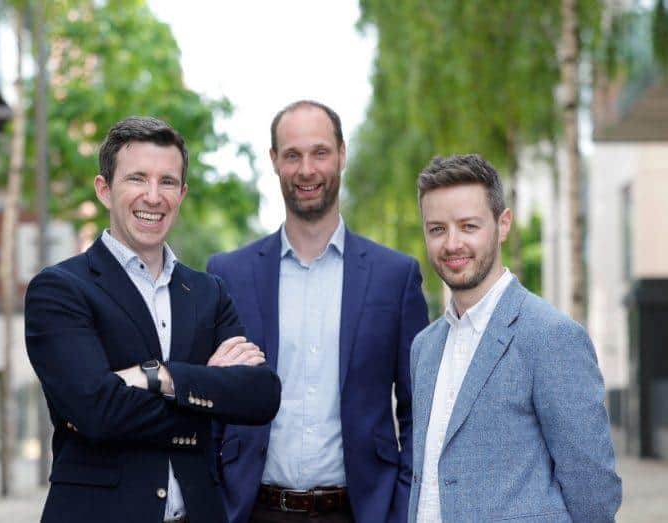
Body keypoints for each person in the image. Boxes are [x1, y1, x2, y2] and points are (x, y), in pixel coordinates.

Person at [25, 116, 281, 523]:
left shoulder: (207, 292)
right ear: (104, 190)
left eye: (167, 182)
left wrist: (158, 377)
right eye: (137, 179)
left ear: (181, 194)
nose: (153, 196)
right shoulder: (60, 289)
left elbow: (261, 395)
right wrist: (207, 393)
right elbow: (97, 411)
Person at [207, 100, 429, 523]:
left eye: (320, 153)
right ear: (274, 161)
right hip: (252, 511)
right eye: (292, 155)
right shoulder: (227, 275)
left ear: (342, 155)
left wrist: (400, 510)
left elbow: (418, 410)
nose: (306, 169)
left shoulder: (395, 277)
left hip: (360, 512)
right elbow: (212, 399)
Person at [408, 154, 622, 522]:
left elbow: (593, 490)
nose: (452, 243)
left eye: (469, 226)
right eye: (437, 229)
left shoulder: (551, 337)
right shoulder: (424, 348)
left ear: (502, 224)